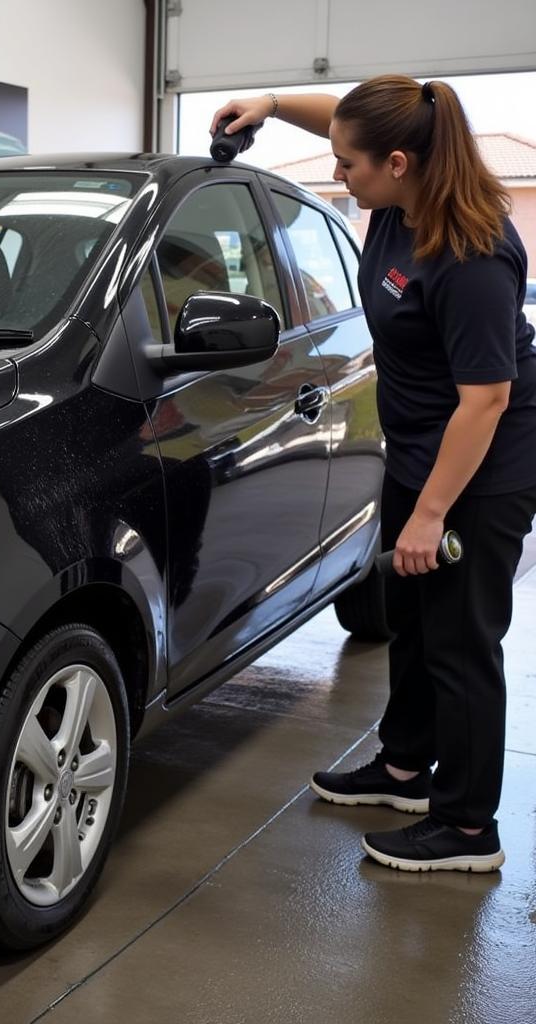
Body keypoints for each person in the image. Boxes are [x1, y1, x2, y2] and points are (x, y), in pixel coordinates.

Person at [211, 76, 536, 872]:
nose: (337, 176)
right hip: (422, 446)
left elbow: (486, 401)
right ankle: (403, 769)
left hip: (482, 466)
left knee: (462, 643)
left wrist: (431, 515)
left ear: (397, 163)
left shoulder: (470, 254)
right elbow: (356, 125)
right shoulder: (401, 193)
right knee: (415, 622)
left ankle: (466, 830)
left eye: (346, 165)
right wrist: (274, 106)